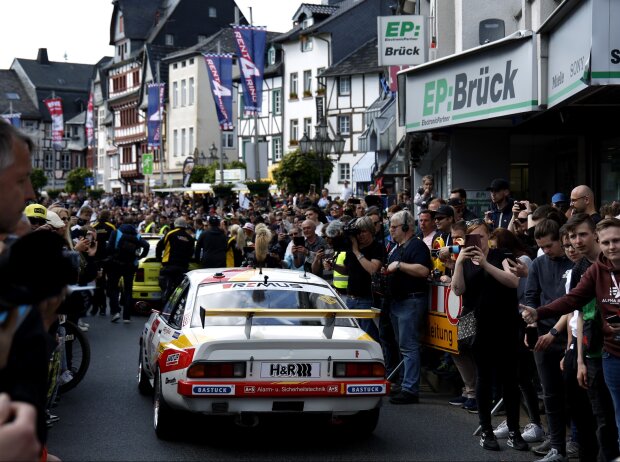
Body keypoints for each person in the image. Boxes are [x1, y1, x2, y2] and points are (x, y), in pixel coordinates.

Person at [450, 221, 528, 453]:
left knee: (509, 380)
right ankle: (486, 430)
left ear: (489, 237)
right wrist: (458, 264)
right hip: (477, 326)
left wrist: (484, 263)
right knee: (483, 378)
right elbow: (457, 290)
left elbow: (513, 281)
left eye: (481, 237)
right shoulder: (464, 261)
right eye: (472, 238)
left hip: (505, 324)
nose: (478, 242)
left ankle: (514, 430)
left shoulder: (501, 254)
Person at [523, 218, 575, 461]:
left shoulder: (574, 262)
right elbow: (531, 296)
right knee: (550, 393)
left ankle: (573, 440)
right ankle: (556, 444)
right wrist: (530, 323)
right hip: (542, 332)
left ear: (561, 242)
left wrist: (554, 330)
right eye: (540, 247)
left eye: (548, 246)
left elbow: (572, 302)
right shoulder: (537, 263)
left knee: (573, 393)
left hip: (567, 334)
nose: (544, 251)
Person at [384, 210, 432, 404]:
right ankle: (404, 384)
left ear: (405, 228)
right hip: (397, 302)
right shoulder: (396, 247)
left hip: (410, 301)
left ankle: (410, 389)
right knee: (402, 345)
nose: (391, 231)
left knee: (409, 346)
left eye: (394, 227)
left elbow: (423, 270)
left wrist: (400, 266)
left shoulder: (417, 245)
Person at [329, 217, 384, 340]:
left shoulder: (377, 247)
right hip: (350, 299)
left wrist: (356, 252)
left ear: (371, 231)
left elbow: (373, 269)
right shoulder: (352, 249)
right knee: (352, 336)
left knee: (368, 336)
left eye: (363, 231)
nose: (360, 235)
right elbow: (348, 271)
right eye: (358, 232)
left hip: (367, 299)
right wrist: (334, 266)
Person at [106, 218, 150, 323]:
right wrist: (140, 256)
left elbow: (109, 248)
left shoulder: (116, 232)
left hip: (116, 264)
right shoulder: (137, 235)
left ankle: (115, 311)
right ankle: (127, 316)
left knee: (113, 288)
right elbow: (147, 245)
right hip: (130, 265)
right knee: (128, 290)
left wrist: (112, 256)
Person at [156, 217, 195, 301]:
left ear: (175, 224)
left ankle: (165, 309)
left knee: (167, 290)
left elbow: (159, 247)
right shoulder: (190, 238)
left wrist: (159, 258)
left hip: (169, 266)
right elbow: (191, 253)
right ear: (185, 226)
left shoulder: (170, 234)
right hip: (182, 267)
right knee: (179, 292)